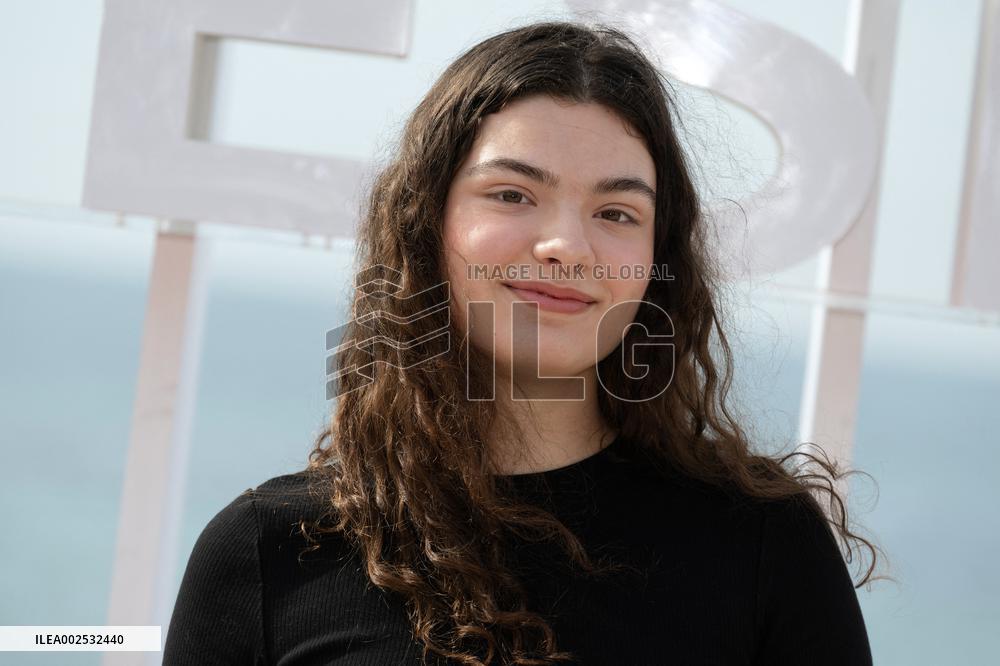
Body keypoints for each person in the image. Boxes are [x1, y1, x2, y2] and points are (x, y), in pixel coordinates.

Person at [163, 20, 884, 665]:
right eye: (512, 194)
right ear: (425, 225)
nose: (567, 246)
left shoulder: (763, 548)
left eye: (616, 211)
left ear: (658, 263)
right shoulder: (268, 551)